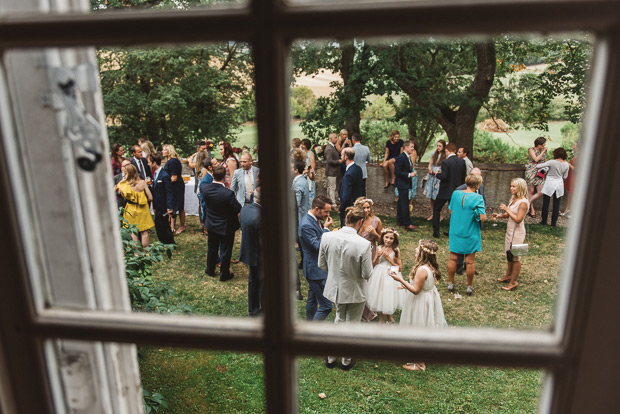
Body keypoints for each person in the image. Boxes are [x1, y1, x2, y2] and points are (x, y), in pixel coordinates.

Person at [319, 206, 373, 371]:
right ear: (360, 222)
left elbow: (321, 264)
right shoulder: (363, 244)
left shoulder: (327, 236)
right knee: (351, 324)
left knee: (339, 319)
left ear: (345, 219)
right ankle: (346, 360)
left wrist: (336, 274)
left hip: (336, 288)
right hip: (355, 289)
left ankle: (331, 357)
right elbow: (366, 273)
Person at [390, 239, 447, 372]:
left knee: (418, 328)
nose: (415, 250)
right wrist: (405, 286)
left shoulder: (422, 269)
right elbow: (420, 286)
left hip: (420, 302)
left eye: (417, 248)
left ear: (423, 253)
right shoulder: (430, 267)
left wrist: (399, 279)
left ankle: (420, 364)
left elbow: (416, 290)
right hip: (426, 298)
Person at [447, 173, 487, 296]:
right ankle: (469, 286)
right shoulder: (478, 198)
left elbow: (450, 210)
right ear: (478, 185)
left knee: (453, 258)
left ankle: (451, 283)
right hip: (470, 232)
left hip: (455, 230)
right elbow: (483, 218)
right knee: (470, 262)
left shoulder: (456, 194)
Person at [202, 165, 242, 282]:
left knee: (212, 248)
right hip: (225, 226)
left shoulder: (205, 188)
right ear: (225, 177)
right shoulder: (228, 193)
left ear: (213, 175)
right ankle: (224, 274)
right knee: (225, 250)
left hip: (211, 224)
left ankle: (210, 270)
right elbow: (237, 208)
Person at [299, 195, 334, 321]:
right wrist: (326, 229)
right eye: (326, 211)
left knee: (312, 299)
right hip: (315, 270)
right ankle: (312, 331)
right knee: (326, 306)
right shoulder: (306, 225)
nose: (327, 214)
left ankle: (309, 324)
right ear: (317, 209)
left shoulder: (315, 219)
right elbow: (318, 246)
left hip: (315, 268)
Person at [493, 178, 530, 291]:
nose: (511, 188)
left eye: (514, 186)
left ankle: (513, 282)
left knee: (516, 257)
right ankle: (508, 275)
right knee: (509, 254)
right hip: (510, 231)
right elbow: (510, 214)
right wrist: (500, 216)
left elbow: (518, 219)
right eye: (511, 186)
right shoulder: (514, 199)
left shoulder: (523, 202)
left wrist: (506, 209)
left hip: (518, 232)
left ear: (521, 187)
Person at [454, 167, 486, 275]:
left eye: (479, 176)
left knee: (470, 246)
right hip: (462, 223)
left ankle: (469, 265)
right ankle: (458, 266)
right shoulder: (459, 190)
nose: (478, 178)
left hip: (474, 223)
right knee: (460, 244)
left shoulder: (481, 187)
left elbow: (483, 201)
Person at [367, 228, 402, 324]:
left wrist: (389, 259)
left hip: (391, 274)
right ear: (383, 237)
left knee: (386, 296)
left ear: (394, 240)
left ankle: (381, 323)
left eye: (391, 238)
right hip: (379, 274)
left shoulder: (395, 250)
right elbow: (373, 264)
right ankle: (390, 319)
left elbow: (400, 268)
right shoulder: (379, 247)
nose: (388, 240)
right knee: (381, 295)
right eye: (386, 237)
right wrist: (377, 256)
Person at [115, 164, 154, 248]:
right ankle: (145, 251)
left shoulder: (124, 185)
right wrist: (143, 200)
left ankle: (136, 253)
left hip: (130, 209)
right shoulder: (143, 183)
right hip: (143, 209)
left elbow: (122, 196)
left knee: (132, 231)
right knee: (144, 231)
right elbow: (150, 197)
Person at [433, 142, 466, 238]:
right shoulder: (462, 162)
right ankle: (452, 231)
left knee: (436, 209)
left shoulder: (446, 162)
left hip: (445, 191)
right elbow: (464, 178)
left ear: (447, 151)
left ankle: (436, 232)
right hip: (457, 191)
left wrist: (437, 174)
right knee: (455, 212)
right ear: (455, 151)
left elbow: (444, 176)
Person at [240, 187, 262, 316]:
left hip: (248, 250)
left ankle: (253, 309)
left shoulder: (245, 210)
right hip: (260, 254)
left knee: (253, 281)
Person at [536, 147, 569, 227]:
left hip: (550, 183)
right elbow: (565, 176)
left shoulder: (552, 162)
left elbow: (538, 166)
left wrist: (546, 163)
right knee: (556, 205)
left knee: (546, 203)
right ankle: (553, 223)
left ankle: (544, 222)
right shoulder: (566, 164)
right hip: (559, 184)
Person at [147, 153, 175, 245]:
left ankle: (170, 243)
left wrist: (169, 207)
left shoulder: (164, 175)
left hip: (164, 205)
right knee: (158, 224)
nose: (148, 164)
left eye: (149, 162)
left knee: (164, 225)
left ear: (154, 163)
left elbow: (169, 192)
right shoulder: (155, 173)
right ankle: (162, 242)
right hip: (158, 204)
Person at [292, 158, 309, 299]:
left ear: (296, 170)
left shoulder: (298, 183)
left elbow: (295, 203)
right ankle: (303, 263)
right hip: (302, 215)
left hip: (299, 216)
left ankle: (305, 264)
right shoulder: (301, 180)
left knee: (302, 242)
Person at [162, 144, 186, 235]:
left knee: (179, 206)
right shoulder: (170, 161)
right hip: (174, 186)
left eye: (164, 150)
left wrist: (164, 183)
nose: (163, 151)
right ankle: (173, 224)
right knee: (176, 205)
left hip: (176, 186)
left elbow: (174, 177)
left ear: (169, 151)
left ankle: (182, 226)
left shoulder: (173, 162)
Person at [394, 140, 418, 231]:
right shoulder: (401, 157)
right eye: (411, 146)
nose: (413, 148)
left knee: (401, 203)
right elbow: (397, 171)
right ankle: (407, 223)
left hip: (405, 183)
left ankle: (400, 220)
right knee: (404, 203)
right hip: (402, 184)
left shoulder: (407, 157)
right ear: (406, 147)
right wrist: (409, 175)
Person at [338, 147, 364, 227]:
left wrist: (342, 208)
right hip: (357, 204)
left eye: (342, 155)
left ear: (346, 157)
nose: (341, 157)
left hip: (349, 207)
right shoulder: (358, 168)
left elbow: (346, 194)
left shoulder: (349, 174)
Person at [524, 137, 548, 217]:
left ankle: (527, 203)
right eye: (543, 144)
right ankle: (532, 210)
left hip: (540, 171)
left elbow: (544, 160)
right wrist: (543, 152)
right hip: (531, 170)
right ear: (539, 144)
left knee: (540, 192)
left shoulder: (543, 150)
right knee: (530, 191)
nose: (544, 145)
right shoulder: (531, 149)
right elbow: (536, 159)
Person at [424, 139, 447, 220]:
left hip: (439, 177)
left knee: (438, 196)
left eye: (440, 146)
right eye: (437, 146)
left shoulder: (445, 155)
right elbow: (430, 164)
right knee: (431, 196)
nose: (438, 147)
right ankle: (432, 214)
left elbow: (445, 168)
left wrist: (438, 172)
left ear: (443, 147)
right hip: (432, 176)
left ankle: (440, 215)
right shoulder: (434, 154)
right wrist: (430, 169)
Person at [324, 132, 341, 210]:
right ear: (331, 138)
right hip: (331, 172)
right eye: (335, 137)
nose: (337, 139)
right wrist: (339, 161)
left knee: (330, 188)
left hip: (334, 171)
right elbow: (329, 161)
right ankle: (333, 205)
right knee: (332, 188)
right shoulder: (329, 148)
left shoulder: (332, 147)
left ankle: (328, 203)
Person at [562, 141, 578, 217]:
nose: (573, 146)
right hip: (570, 176)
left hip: (575, 177)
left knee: (574, 194)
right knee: (569, 194)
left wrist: (568, 164)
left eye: (574, 145)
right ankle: (567, 209)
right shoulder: (575, 155)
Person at [300, 139, 317, 204]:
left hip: (309, 175)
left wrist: (307, 169)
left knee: (310, 195)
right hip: (302, 175)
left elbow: (313, 166)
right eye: (301, 144)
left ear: (307, 145)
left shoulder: (311, 153)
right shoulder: (300, 153)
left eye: (303, 144)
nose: (301, 146)